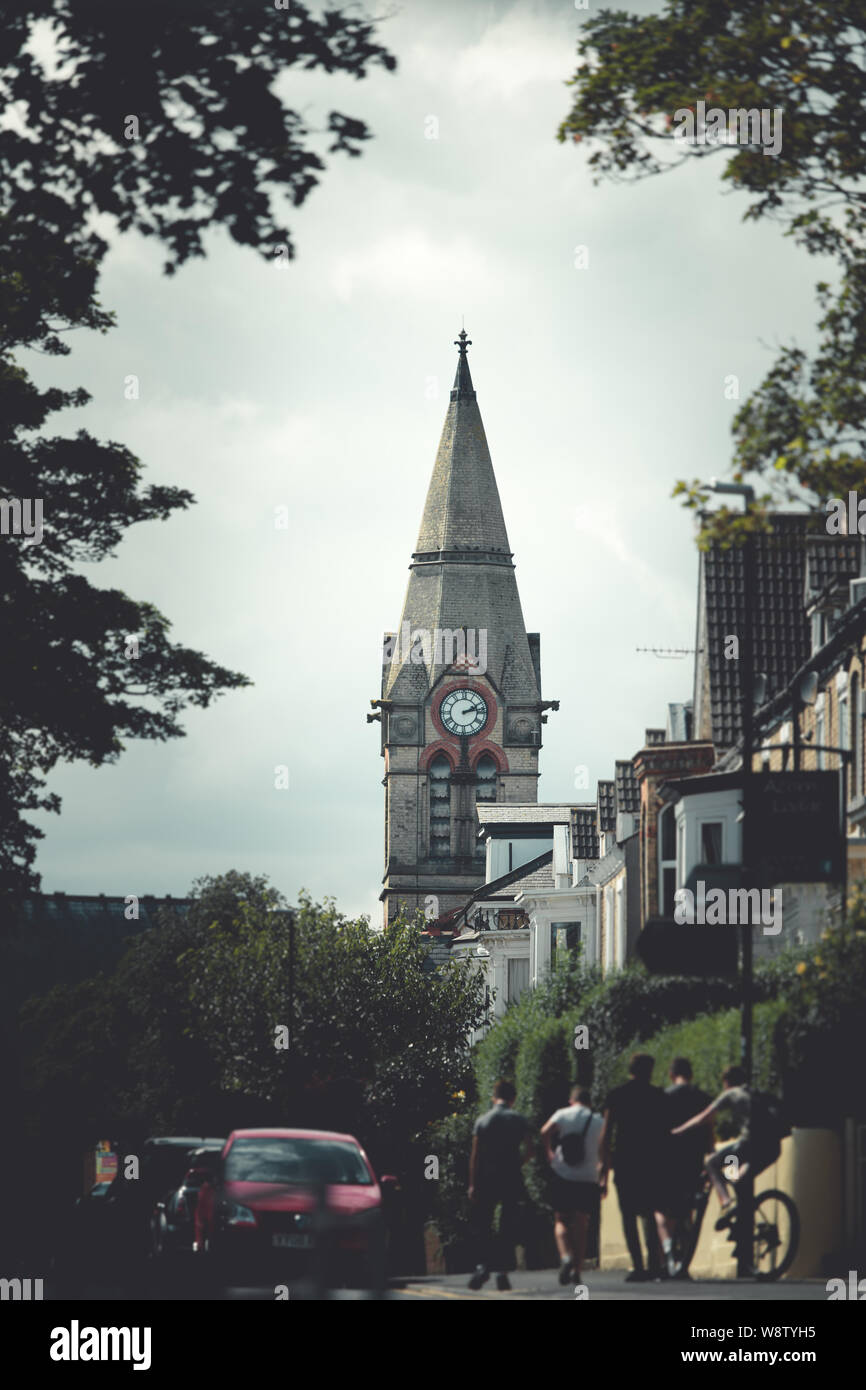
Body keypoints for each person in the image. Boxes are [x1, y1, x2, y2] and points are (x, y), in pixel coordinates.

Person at [671, 1064, 782, 1229]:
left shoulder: (730, 1093)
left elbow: (703, 1117)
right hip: (771, 1147)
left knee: (711, 1163)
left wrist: (677, 1131)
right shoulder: (754, 1093)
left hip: (749, 1147)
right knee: (738, 1179)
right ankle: (745, 1227)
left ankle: (726, 1203)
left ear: (726, 1082)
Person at [598, 1052, 667, 1282]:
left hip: (625, 1162)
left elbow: (606, 1134)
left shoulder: (617, 1096)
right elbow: (666, 1133)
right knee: (648, 1212)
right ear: (650, 1071)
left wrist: (603, 1167)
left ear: (631, 1070)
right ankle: (654, 1264)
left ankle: (638, 1266)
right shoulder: (658, 1096)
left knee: (628, 1215)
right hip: (652, 1162)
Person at [468, 1079, 533, 1291]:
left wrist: (473, 1184)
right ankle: (502, 1274)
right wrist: (517, 1163)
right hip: (511, 1178)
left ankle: (482, 1266)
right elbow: (530, 1150)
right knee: (507, 1226)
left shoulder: (483, 1121)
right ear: (513, 1098)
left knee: (484, 1224)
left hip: (487, 1179)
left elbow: (475, 1157)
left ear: (493, 1098)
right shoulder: (518, 1119)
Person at [655, 1058, 712, 1278]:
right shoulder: (703, 1098)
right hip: (693, 1161)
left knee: (661, 1209)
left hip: (667, 1161)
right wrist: (710, 1160)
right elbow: (709, 1133)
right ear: (692, 1074)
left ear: (671, 1074)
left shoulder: (663, 1097)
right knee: (687, 1213)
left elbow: (656, 1133)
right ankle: (683, 1265)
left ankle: (668, 1251)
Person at [540, 1085, 603, 1286]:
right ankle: (577, 1270)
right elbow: (605, 1151)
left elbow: (544, 1132)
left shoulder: (563, 1114)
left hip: (563, 1174)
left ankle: (565, 1256)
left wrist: (549, 1152)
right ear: (589, 1102)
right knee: (582, 1223)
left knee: (561, 1220)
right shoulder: (599, 1120)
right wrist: (604, 1177)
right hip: (588, 1177)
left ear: (571, 1100)